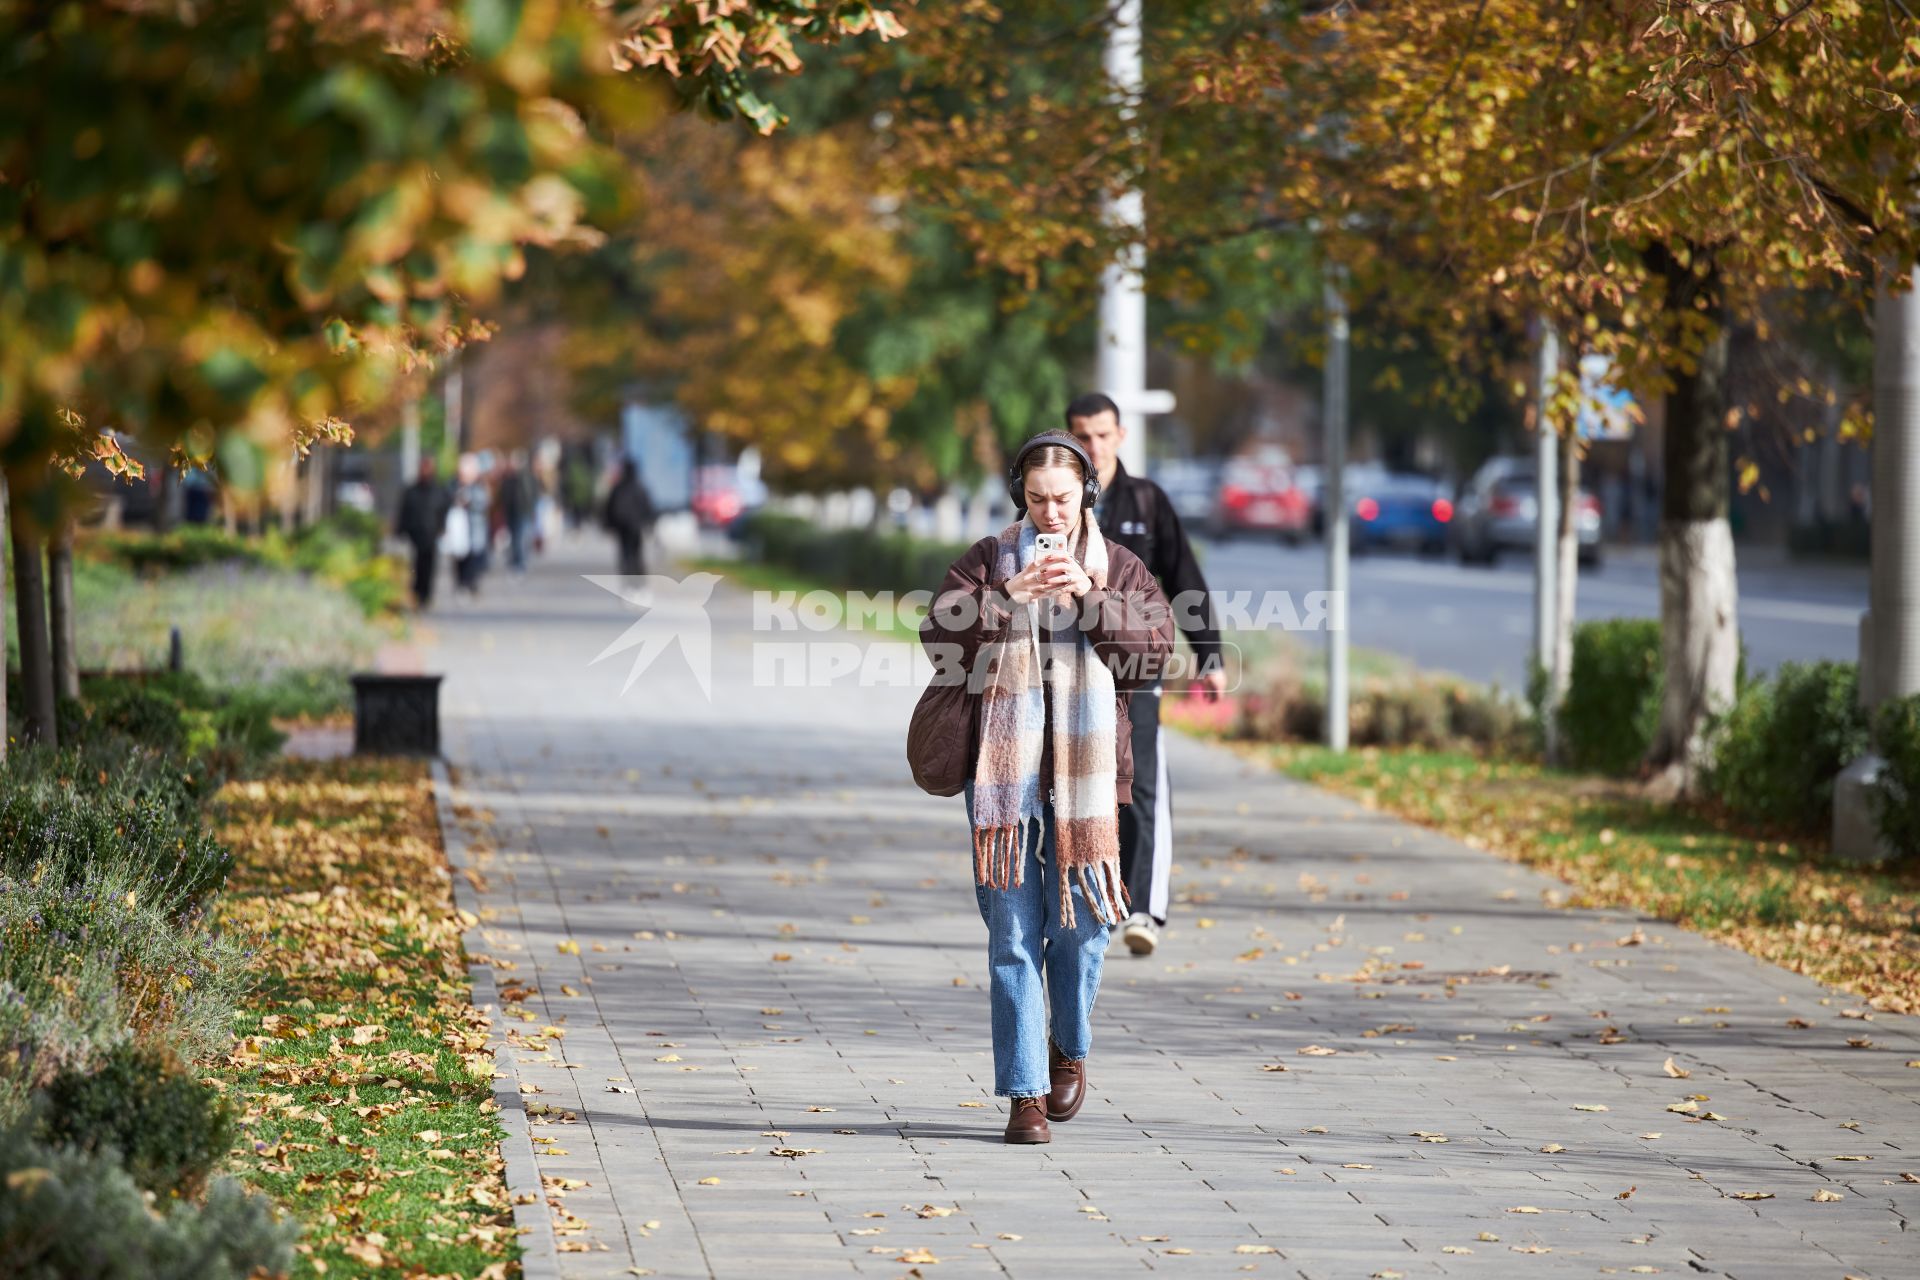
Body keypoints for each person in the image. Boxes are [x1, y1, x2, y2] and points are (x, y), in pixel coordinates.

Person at [922, 430, 1174, 1145]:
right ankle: (1025, 1094)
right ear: (1018, 496)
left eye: (1062, 498)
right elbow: (936, 637)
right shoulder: (988, 560)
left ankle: (1070, 1045)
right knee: (1011, 935)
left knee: (1081, 931)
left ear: (1086, 494)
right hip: (1002, 782)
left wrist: (1091, 596)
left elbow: (1150, 655)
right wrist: (1005, 597)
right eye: (1036, 499)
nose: (1050, 513)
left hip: (1089, 784)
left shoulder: (1119, 567)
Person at [1065, 392, 1226, 958]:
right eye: (1081, 435)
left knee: (1143, 784)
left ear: (1120, 436)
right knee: (1074, 784)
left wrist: (1210, 656)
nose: (1092, 446)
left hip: (1136, 666)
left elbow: (1184, 578)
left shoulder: (1146, 501)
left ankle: (1143, 910)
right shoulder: (1054, 498)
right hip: (1069, 670)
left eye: (1102, 434)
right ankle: (1085, 901)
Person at [395, 457, 451, 609]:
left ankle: (426, 595)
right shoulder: (412, 491)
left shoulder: (438, 491)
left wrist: (442, 528)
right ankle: (417, 593)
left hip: (431, 534)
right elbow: (404, 512)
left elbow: (444, 510)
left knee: (429, 566)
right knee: (416, 565)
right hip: (415, 534)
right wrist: (400, 530)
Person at [602, 458, 656, 577]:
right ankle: (635, 571)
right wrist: (650, 523)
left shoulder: (618, 488)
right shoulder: (640, 488)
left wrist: (608, 524)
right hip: (635, 526)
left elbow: (609, 508)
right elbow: (647, 507)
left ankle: (628, 570)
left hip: (622, 526)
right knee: (635, 550)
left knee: (625, 550)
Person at [451, 452, 490, 597]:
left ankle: (471, 584)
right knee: (460, 559)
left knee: (473, 559)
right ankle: (461, 584)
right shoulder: (454, 485)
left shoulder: (479, 487)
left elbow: (484, 503)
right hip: (459, 531)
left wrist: (470, 502)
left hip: (474, 530)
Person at [498, 450, 539, 573]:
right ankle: (516, 560)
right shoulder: (507, 478)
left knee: (520, 537)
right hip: (511, 511)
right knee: (515, 537)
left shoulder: (526, 477)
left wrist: (530, 509)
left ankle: (519, 562)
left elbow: (532, 494)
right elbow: (503, 495)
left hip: (522, 511)